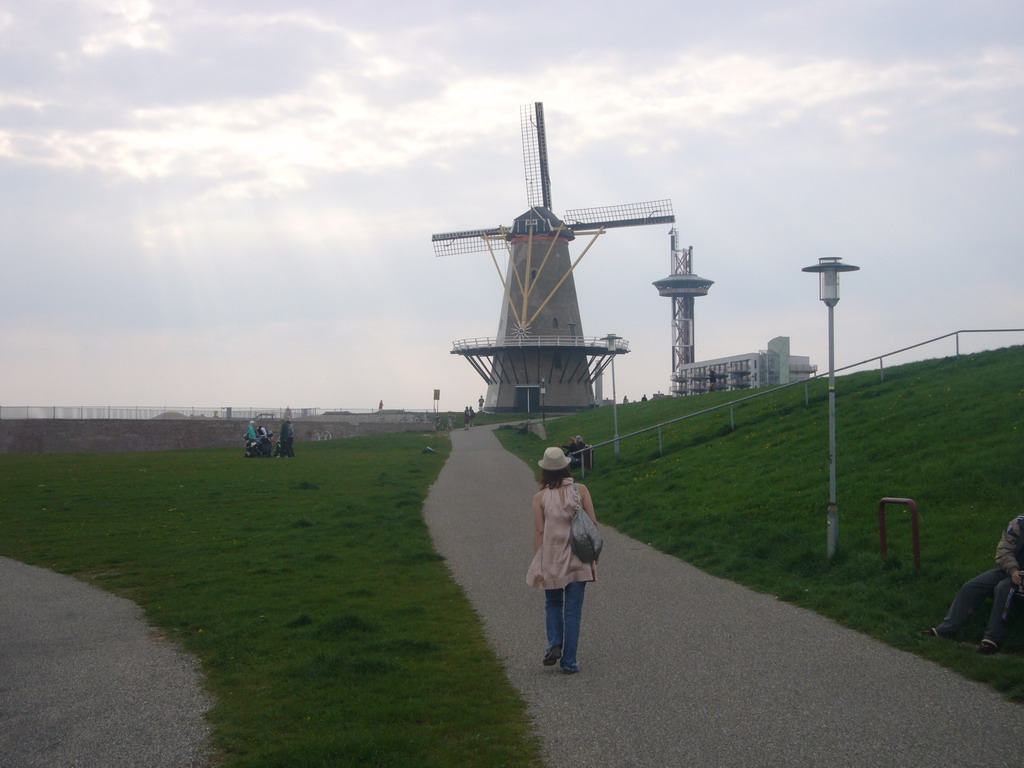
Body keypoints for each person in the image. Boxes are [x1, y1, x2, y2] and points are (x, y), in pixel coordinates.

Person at [526, 446, 598, 674]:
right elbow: (592, 523)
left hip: (552, 559)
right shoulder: (581, 490)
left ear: (545, 471)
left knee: (553, 603)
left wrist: (539, 558)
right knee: (573, 611)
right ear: (566, 467)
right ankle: (569, 661)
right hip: (579, 558)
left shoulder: (540, 498)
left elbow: (539, 531)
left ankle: (554, 644)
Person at [922, 515, 1024, 654]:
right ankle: (945, 630)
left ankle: (991, 640)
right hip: (1010, 570)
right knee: (972, 586)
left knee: (1003, 589)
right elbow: (1004, 550)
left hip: (1019, 578)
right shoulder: (1019, 523)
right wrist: (1013, 570)